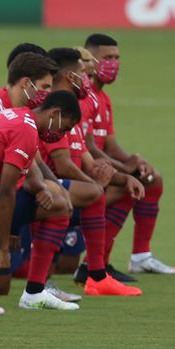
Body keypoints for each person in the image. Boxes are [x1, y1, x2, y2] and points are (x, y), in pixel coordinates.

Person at [0, 92, 84, 312]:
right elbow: (6, 191)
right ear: (55, 114)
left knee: (58, 206)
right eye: (65, 128)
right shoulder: (26, 130)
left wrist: (39, 187)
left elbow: (26, 171)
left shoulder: (20, 117)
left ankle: (35, 293)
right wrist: (4, 249)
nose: (62, 135)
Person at [41, 48, 142, 297]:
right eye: (81, 73)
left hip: (67, 189)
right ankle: (83, 276)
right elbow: (62, 164)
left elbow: (87, 158)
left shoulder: (71, 109)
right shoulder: (54, 110)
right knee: (95, 194)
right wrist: (96, 184)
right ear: (67, 75)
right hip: (45, 189)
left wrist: (125, 177)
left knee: (125, 189)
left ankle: (96, 271)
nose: (86, 78)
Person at [81, 33, 175, 277]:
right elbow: (87, 147)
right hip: (84, 172)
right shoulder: (84, 96)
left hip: (100, 167)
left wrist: (133, 160)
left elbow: (110, 145)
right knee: (129, 184)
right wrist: (125, 170)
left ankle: (140, 256)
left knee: (150, 177)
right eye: (107, 57)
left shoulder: (104, 98)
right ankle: (96, 265)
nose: (113, 63)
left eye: (117, 58)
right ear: (90, 60)